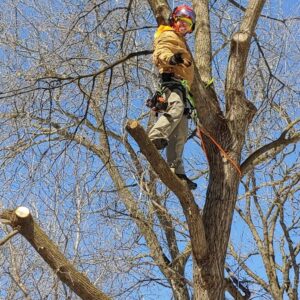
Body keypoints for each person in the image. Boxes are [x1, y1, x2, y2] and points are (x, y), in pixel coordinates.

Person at [148, 5, 197, 190]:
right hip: (171, 82)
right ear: (174, 21)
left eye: (188, 24)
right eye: (181, 22)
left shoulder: (182, 42)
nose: (184, 26)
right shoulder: (168, 34)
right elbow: (160, 51)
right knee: (174, 108)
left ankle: (177, 170)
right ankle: (155, 136)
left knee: (181, 133)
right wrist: (172, 59)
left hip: (183, 88)